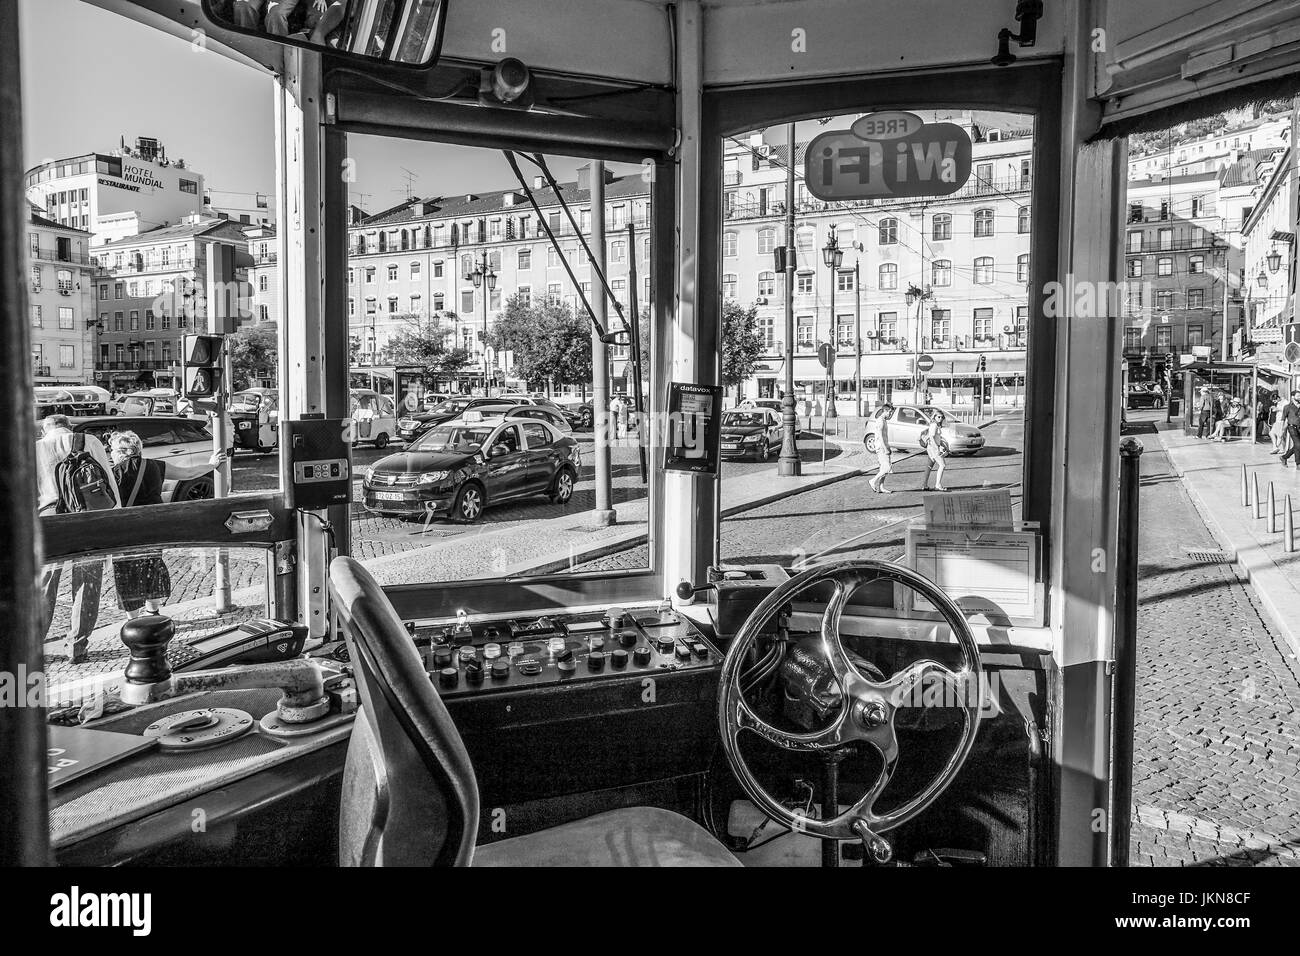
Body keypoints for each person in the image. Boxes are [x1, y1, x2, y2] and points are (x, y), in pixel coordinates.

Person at [36, 416, 121, 660]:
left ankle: (34, 643)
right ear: (69, 426)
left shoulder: (34, 448)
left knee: (45, 581)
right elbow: (108, 484)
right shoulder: (89, 441)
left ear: (45, 429)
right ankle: (77, 645)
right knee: (88, 581)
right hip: (87, 517)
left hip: (49, 518)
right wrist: (116, 521)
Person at [108, 431, 172, 619]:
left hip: (125, 531)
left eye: (112, 450)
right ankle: (153, 612)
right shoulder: (154, 466)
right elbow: (188, 473)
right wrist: (213, 463)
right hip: (154, 527)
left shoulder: (114, 473)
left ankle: (133, 620)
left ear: (120, 452)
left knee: (127, 573)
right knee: (152, 566)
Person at [867, 402, 895, 494]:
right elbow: (880, 436)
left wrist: (888, 446)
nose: (891, 414)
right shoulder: (880, 421)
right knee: (887, 468)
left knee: (884, 468)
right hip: (881, 447)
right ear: (885, 411)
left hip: (885, 446)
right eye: (890, 412)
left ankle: (881, 487)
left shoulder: (884, 420)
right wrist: (885, 448)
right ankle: (873, 481)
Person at [920, 410, 948, 492]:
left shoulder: (936, 425)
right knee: (942, 465)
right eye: (938, 417)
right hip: (933, 448)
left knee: (929, 466)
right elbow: (932, 437)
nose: (940, 418)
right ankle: (938, 485)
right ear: (934, 417)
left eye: (942, 417)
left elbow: (937, 437)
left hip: (932, 447)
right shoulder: (934, 425)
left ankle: (924, 485)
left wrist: (942, 445)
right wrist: (936, 448)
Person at [1280, 392, 1300, 467]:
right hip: (1292, 427)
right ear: (1292, 397)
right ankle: (1298, 463)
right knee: (1298, 444)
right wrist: (1281, 430)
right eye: (1298, 396)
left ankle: (1284, 457)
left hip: (1299, 427)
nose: (1299, 397)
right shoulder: (1287, 407)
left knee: (1297, 445)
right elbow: (1283, 419)